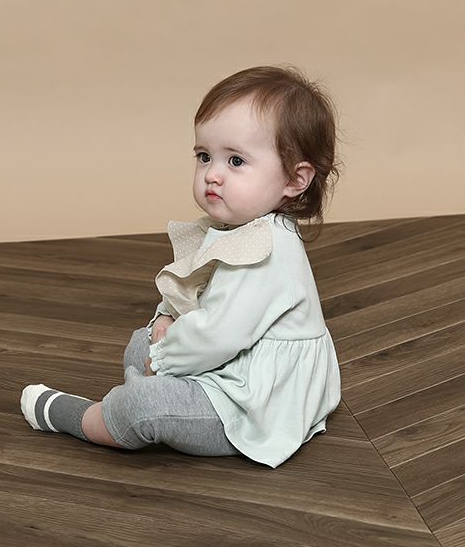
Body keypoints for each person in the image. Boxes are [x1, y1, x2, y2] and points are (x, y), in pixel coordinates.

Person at [20, 64, 342, 468]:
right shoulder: (242, 227)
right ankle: (153, 396)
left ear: (295, 180)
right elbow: (196, 294)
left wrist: (163, 359)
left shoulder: (267, 249)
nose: (213, 175)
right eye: (205, 156)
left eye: (236, 161)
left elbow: (219, 335)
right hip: (233, 363)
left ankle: (90, 417)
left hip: (256, 402)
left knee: (144, 402)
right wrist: (165, 323)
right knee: (141, 343)